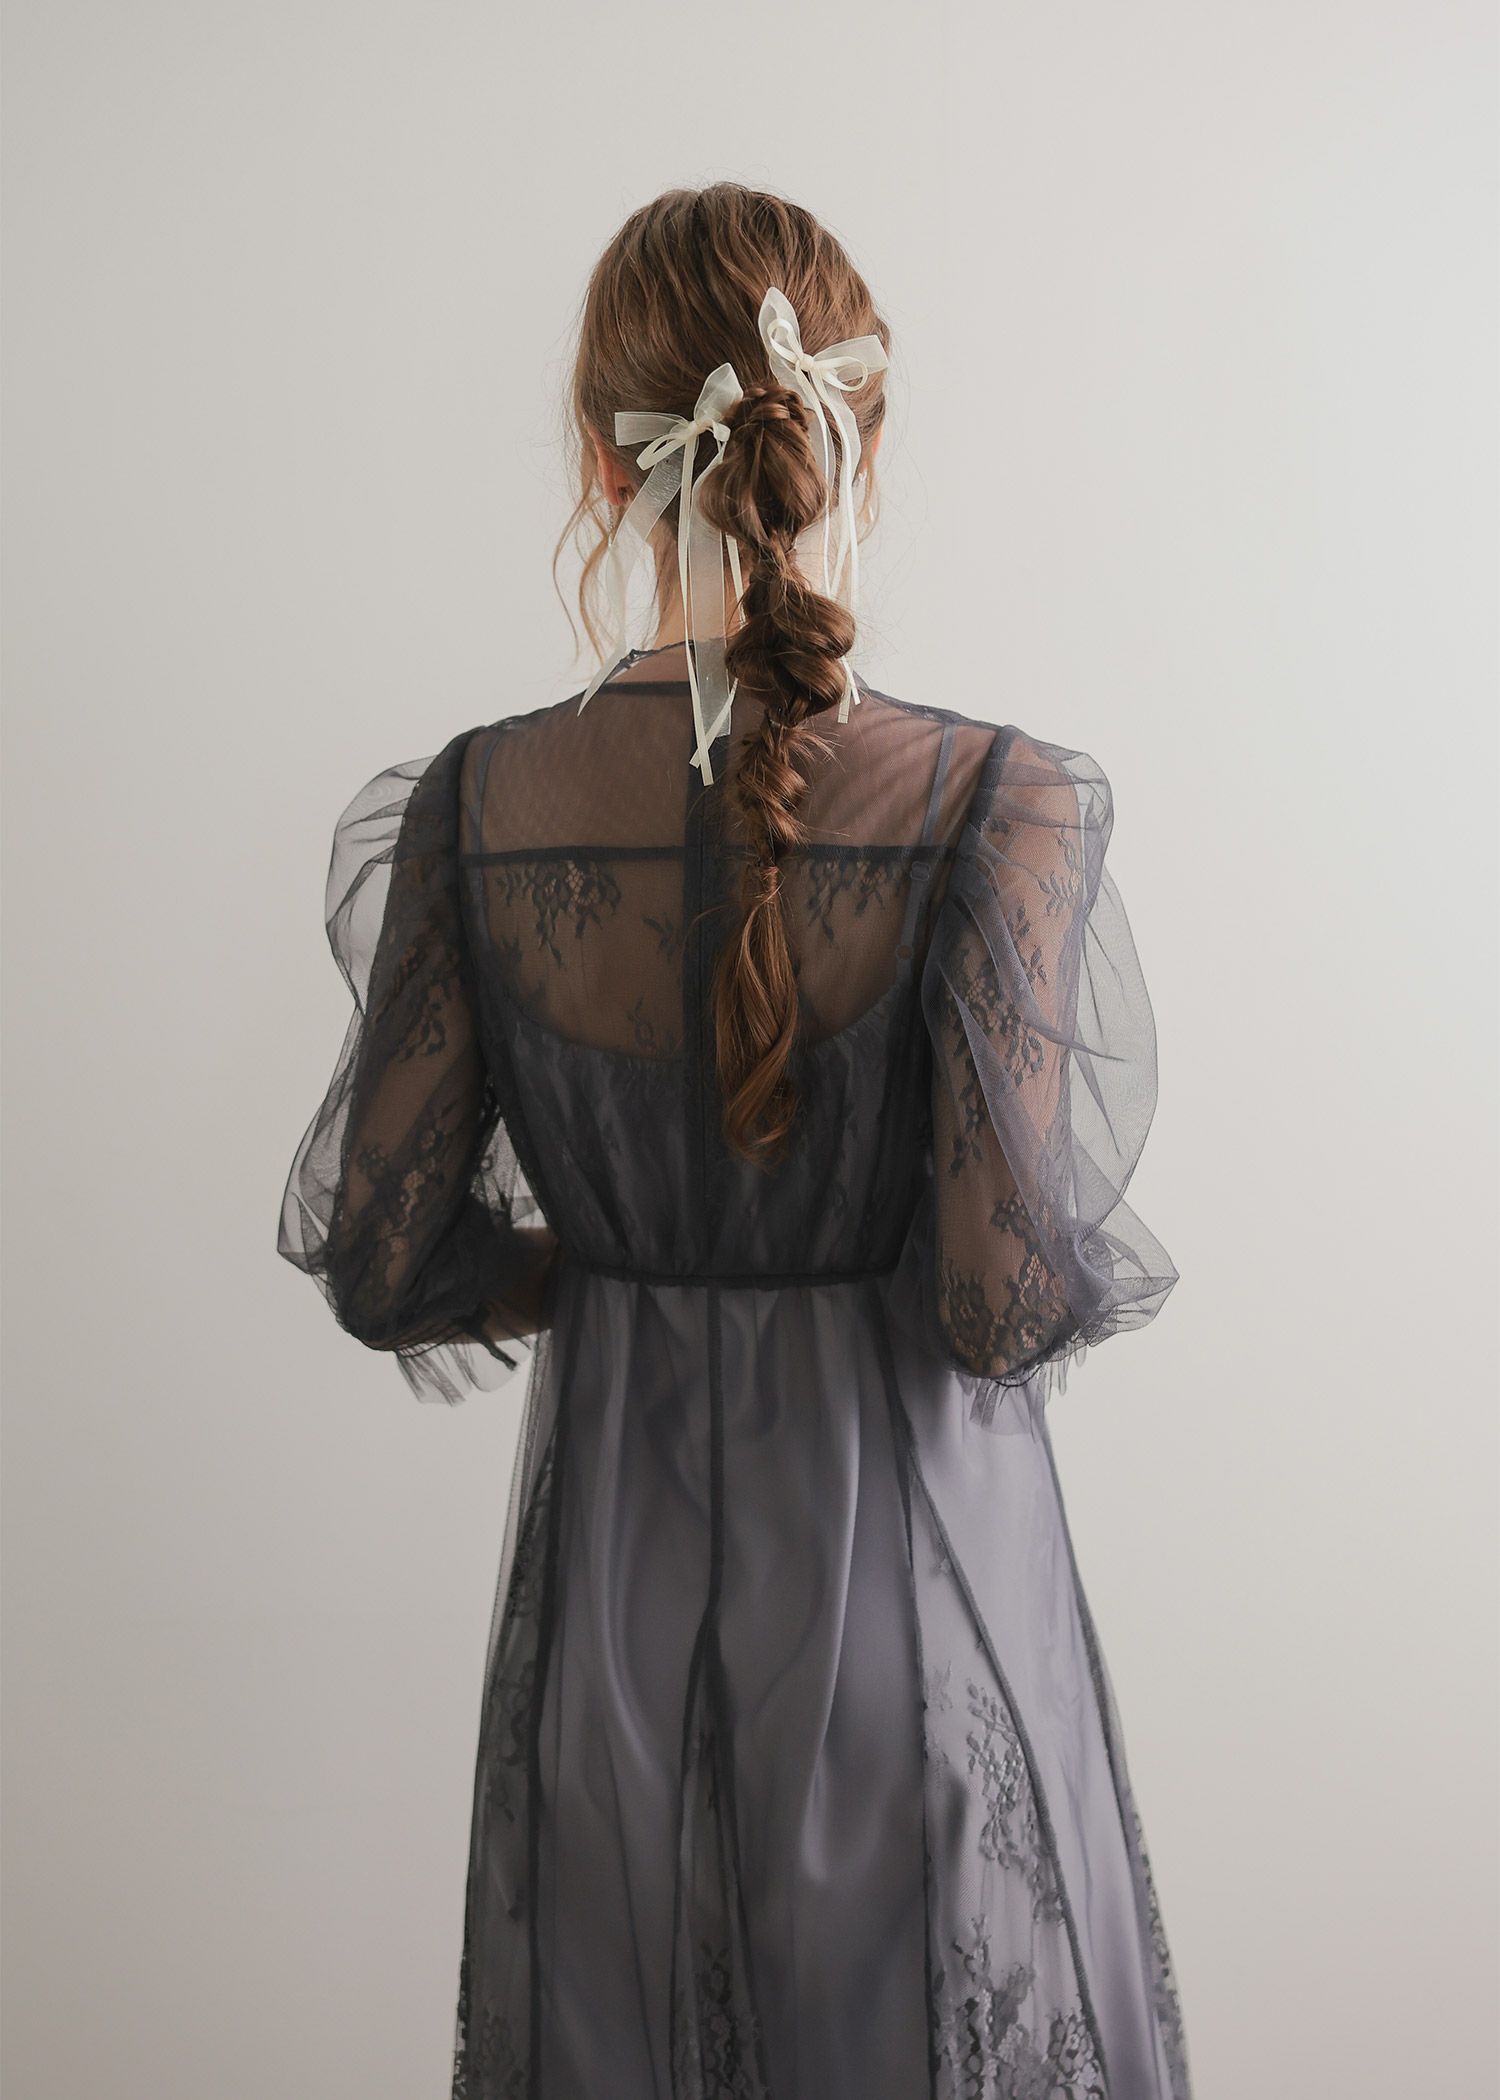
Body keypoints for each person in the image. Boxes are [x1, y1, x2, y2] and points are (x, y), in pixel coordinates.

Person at [277, 180, 1190, 2100]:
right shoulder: (993, 805)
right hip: (918, 1614)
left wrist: (620, 1266)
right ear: (857, 448)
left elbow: (383, 1258)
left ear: (600, 474)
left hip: (612, 1628)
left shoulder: (475, 809)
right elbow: (998, 1301)